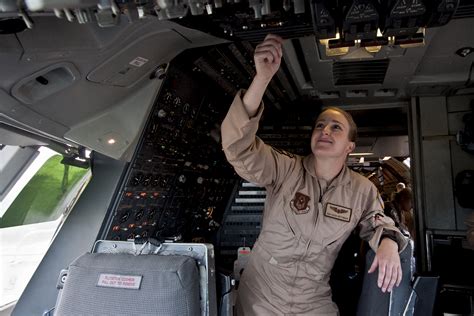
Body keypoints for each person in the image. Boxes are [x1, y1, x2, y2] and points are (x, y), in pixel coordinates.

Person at [221, 34, 408, 315]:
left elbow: (378, 222)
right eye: (320, 126)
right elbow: (238, 148)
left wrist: (389, 243)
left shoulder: (360, 190)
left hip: (312, 297)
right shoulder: (285, 169)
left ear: (350, 147)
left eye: (336, 128)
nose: (325, 131)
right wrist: (261, 78)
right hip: (261, 294)